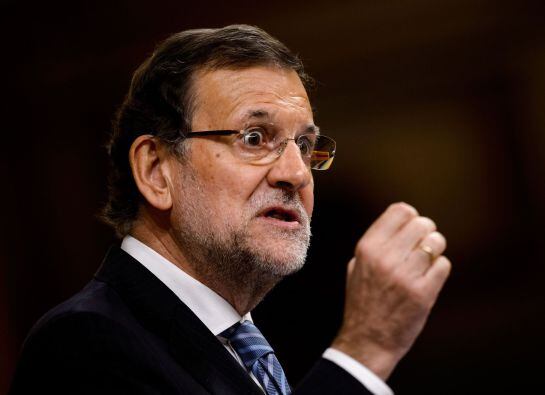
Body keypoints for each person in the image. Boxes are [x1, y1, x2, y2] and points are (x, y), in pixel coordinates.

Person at [9, 25, 451, 394]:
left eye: (305, 145)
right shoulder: (84, 345)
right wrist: (367, 350)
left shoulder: (254, 345)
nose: (296, 173)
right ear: (157, 170)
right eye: (255, 138)